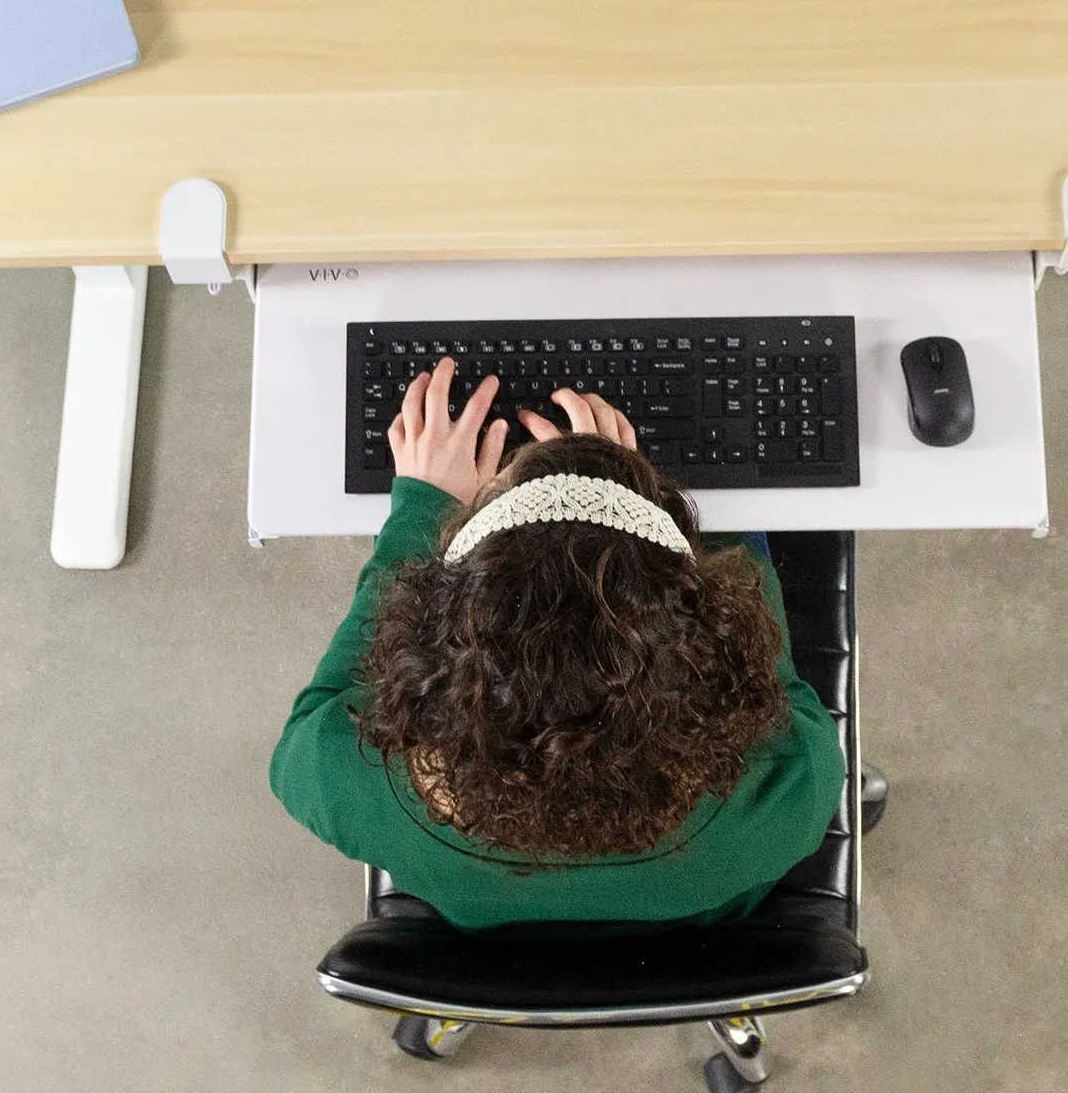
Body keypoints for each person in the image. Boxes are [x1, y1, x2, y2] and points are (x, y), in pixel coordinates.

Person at [272, 357, 846, 931]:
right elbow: (775, 681)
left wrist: (424, 507)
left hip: (485, 937)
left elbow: (308, 725)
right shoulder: (795, 785)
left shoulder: (344, 777)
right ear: (706, 643)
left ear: (428, 637)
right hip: (699, 929)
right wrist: (629, 481)